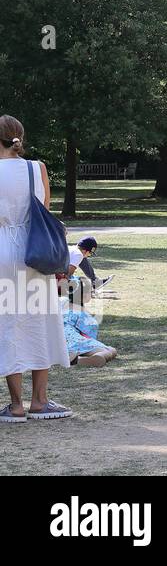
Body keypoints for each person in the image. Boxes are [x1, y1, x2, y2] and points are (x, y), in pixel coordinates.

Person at [0, 115, 73, 422]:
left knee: (8, 324)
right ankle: (40, 401)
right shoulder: (37, 168)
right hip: (36, 251)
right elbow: (45, 211)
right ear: (20, 138)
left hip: (3, 251)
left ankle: (15, 405)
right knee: (38, 321)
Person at [62, 278, 117, 368]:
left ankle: (72, 357)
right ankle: (86, 359)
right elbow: (89, 333)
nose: (92, 295)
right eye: (90, 292)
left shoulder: (61, 304)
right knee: (109, 350)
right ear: (83, 296)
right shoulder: (81, 312)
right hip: (71, 339)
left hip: (53, 340)